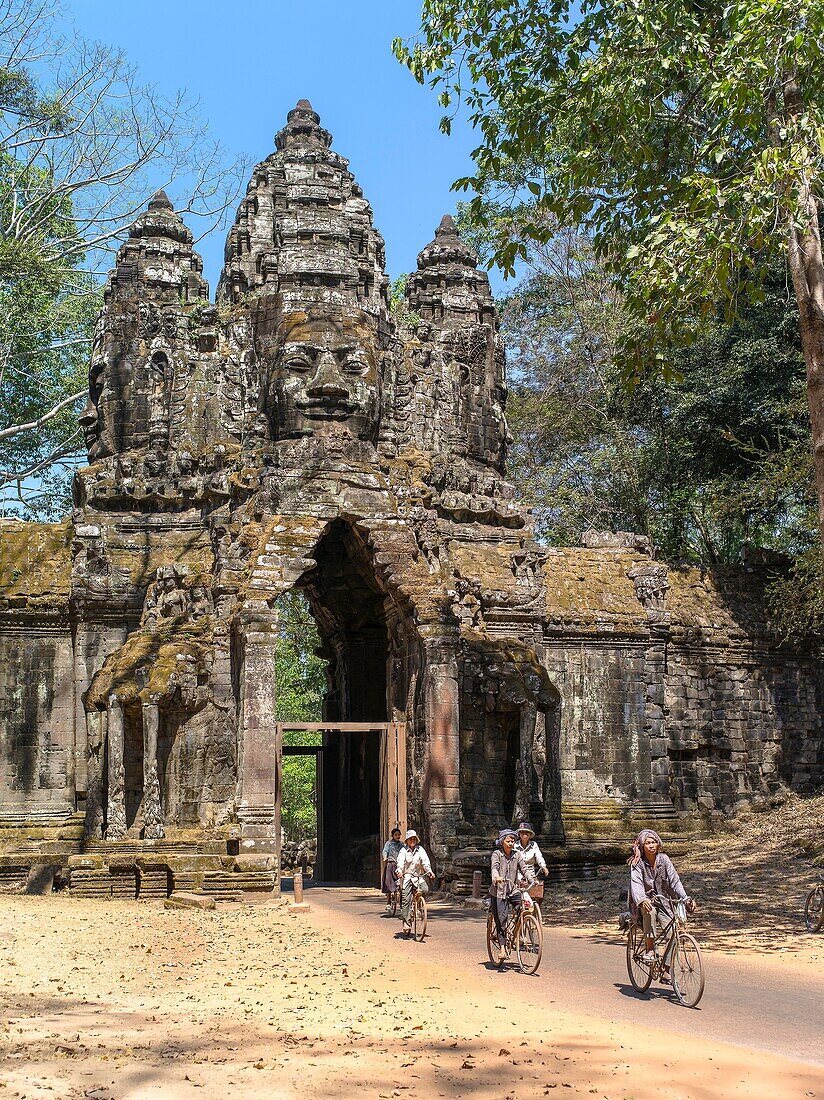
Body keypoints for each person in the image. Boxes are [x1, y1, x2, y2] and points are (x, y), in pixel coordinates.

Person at [628, 828, 696, 978]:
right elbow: (636, 884)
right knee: (650, 911)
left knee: (673, 932)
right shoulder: (637, 863)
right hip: (644, 904)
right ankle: (650, 948)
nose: (651, 845)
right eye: (648, 843)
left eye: (654, 842)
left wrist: (685, 898)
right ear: (642, 846)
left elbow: (675, 880)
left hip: (664, 902)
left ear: (658, 844)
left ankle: (666, 967)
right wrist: (641, 900)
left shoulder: (664, 860)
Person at [490, 828, 536, 953]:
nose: (511, 843)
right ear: (502, 842)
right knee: (501, 920)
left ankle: (517, 932)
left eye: (512, 841)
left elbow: (524, 869)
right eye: (508, 841)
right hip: (498, 891)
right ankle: (503, 948)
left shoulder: (517, 855)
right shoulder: (497, 854)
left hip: (513, 889)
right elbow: (494, 868)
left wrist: (531, 879)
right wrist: (497, 878)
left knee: (521, 908)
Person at [396, 827, 435, 934]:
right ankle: (406, 922)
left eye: (414, 839)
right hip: (407, 876)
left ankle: (418, 904)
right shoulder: (403, 851)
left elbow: (425, 862)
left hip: (418, 876)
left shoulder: (420, 850)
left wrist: (430, 871)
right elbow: (400, 863)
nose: (412, 840)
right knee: (406, 899)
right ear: (407, 841)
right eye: (410, 839)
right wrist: (399, 871)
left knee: (425, 889)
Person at [515, 822, 547, 899]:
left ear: (530, 834)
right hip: (518, 873)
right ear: (519, 834)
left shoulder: (534, 845)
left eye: (527, 832)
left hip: (531, 873)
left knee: (537, 893)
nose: (524, 834)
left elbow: (539, 856)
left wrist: (543, 866)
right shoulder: (515, 845)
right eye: (522, 832)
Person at [381, 827, 402, 909]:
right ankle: (388, 902)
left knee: (401, 885)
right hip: (391, 864)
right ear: (392, 835)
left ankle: (401, 903)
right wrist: (385, 857)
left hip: (399, 865)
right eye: (396, 835)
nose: (397, 836)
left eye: (399, 835)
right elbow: (385, 851)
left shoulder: (401, 844)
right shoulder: (389, 843)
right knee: (389, 884)